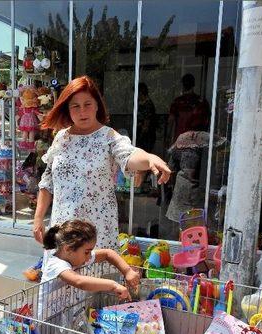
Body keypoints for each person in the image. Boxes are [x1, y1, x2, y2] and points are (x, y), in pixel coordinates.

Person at [33, 76, 171, 250]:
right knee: (65, 276)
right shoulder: (61, 138)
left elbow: (129, 154)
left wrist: (150, 158)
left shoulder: (108, 137)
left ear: (97, 105)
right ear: (68, 109)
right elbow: (47, 181)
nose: (82, 111)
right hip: (64, 232)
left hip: (98, 235)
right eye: (75, 106)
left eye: (87, 104)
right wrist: (38, 218)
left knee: (96, 276)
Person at [36, 220, 140, 334]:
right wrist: (113, 285)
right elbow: (79, 281)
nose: (88, 257)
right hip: (48, 325)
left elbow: (108, 253)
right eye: (86, 252)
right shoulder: (56, 264)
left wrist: (127, 271)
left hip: (67, 321)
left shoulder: (75, 257)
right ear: (68, 249)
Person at [167, 74, 211, 144]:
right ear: (193, 85)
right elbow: (207, 122)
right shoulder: (202, 102)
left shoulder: (177, 102)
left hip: (180, 140)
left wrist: (168, 137)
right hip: (195, 141)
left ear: (183, 85)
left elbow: (171, 120)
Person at [136, 83, 157, 152]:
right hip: (140, 133)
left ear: (141, 92)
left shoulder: (148, 105)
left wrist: (140, 136)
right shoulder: (139, 103)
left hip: (146, 137)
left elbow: (146, 123)